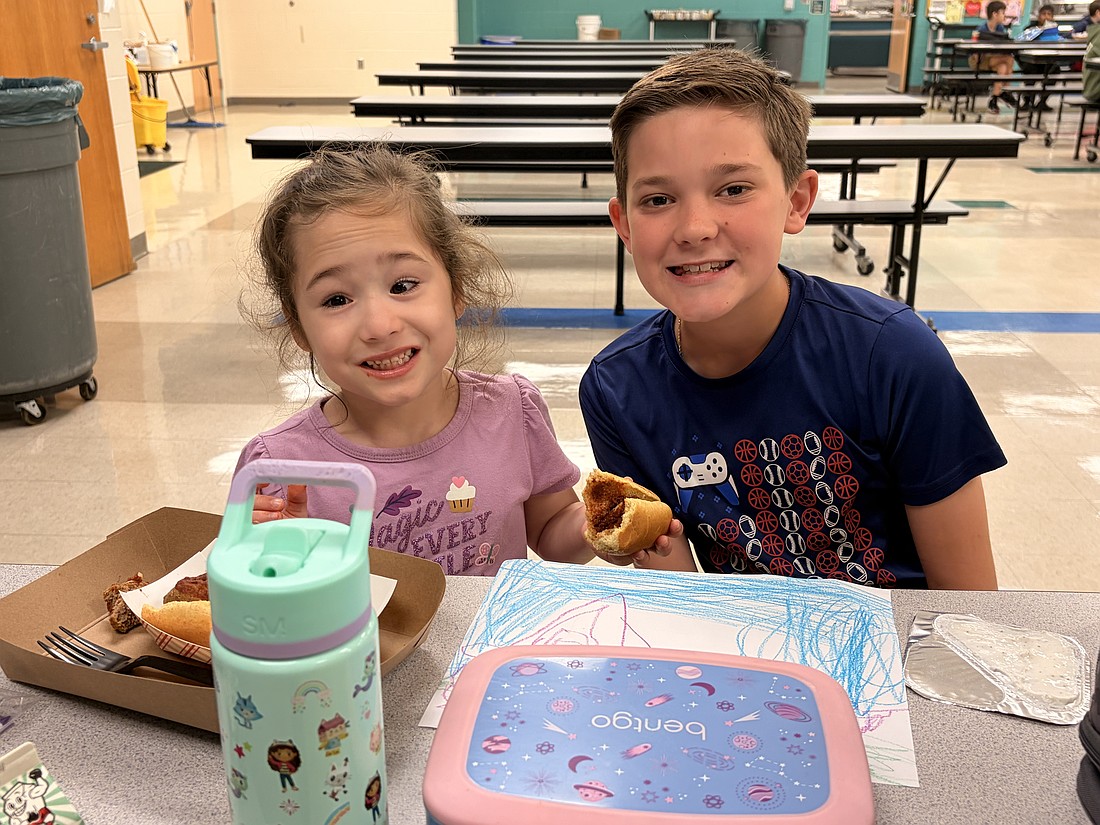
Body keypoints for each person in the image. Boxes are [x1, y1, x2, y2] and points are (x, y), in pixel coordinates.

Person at [579, 47, 1007, 590]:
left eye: (734, 189)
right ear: (624, 224)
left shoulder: (893, 356)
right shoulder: (616, 390)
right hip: (740, 637)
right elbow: (679, 582)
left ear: (797, 201)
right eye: (658, 199)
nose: (694, 228)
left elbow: (969, 603)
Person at [236, 145, 598, 575]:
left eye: (403, 285)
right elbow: (254, 590)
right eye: (336, 299)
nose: (379, 325)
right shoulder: (280, 471)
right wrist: (276, 560)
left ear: (456, 289)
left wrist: (599, 526)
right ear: (298, 326)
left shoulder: (511, 412)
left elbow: (553, 532)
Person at [970, 0, 1019, 114]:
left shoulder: (1000, 28)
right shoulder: (981, 29)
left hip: (994, 59)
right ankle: (1006, 91)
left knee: (1003, 67)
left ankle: (994, 99)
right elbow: (974, 51)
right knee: (1009, 59)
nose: (1004, 16)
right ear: (995, 14)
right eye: (1003, 13)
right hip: (980, 60)